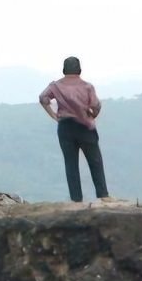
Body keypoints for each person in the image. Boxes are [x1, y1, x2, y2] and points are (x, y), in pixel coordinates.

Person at [38, 56, 109, 203]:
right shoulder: (87, 87)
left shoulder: (55, 86)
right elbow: (96, 105)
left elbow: (43, 98)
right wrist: (92, 115)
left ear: (64, 70)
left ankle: (76, 199)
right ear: (80, 70)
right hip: (85, 127)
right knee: (95, 160)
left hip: (65, 126)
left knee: (70, 163)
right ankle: (103, 195)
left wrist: (53, 115)